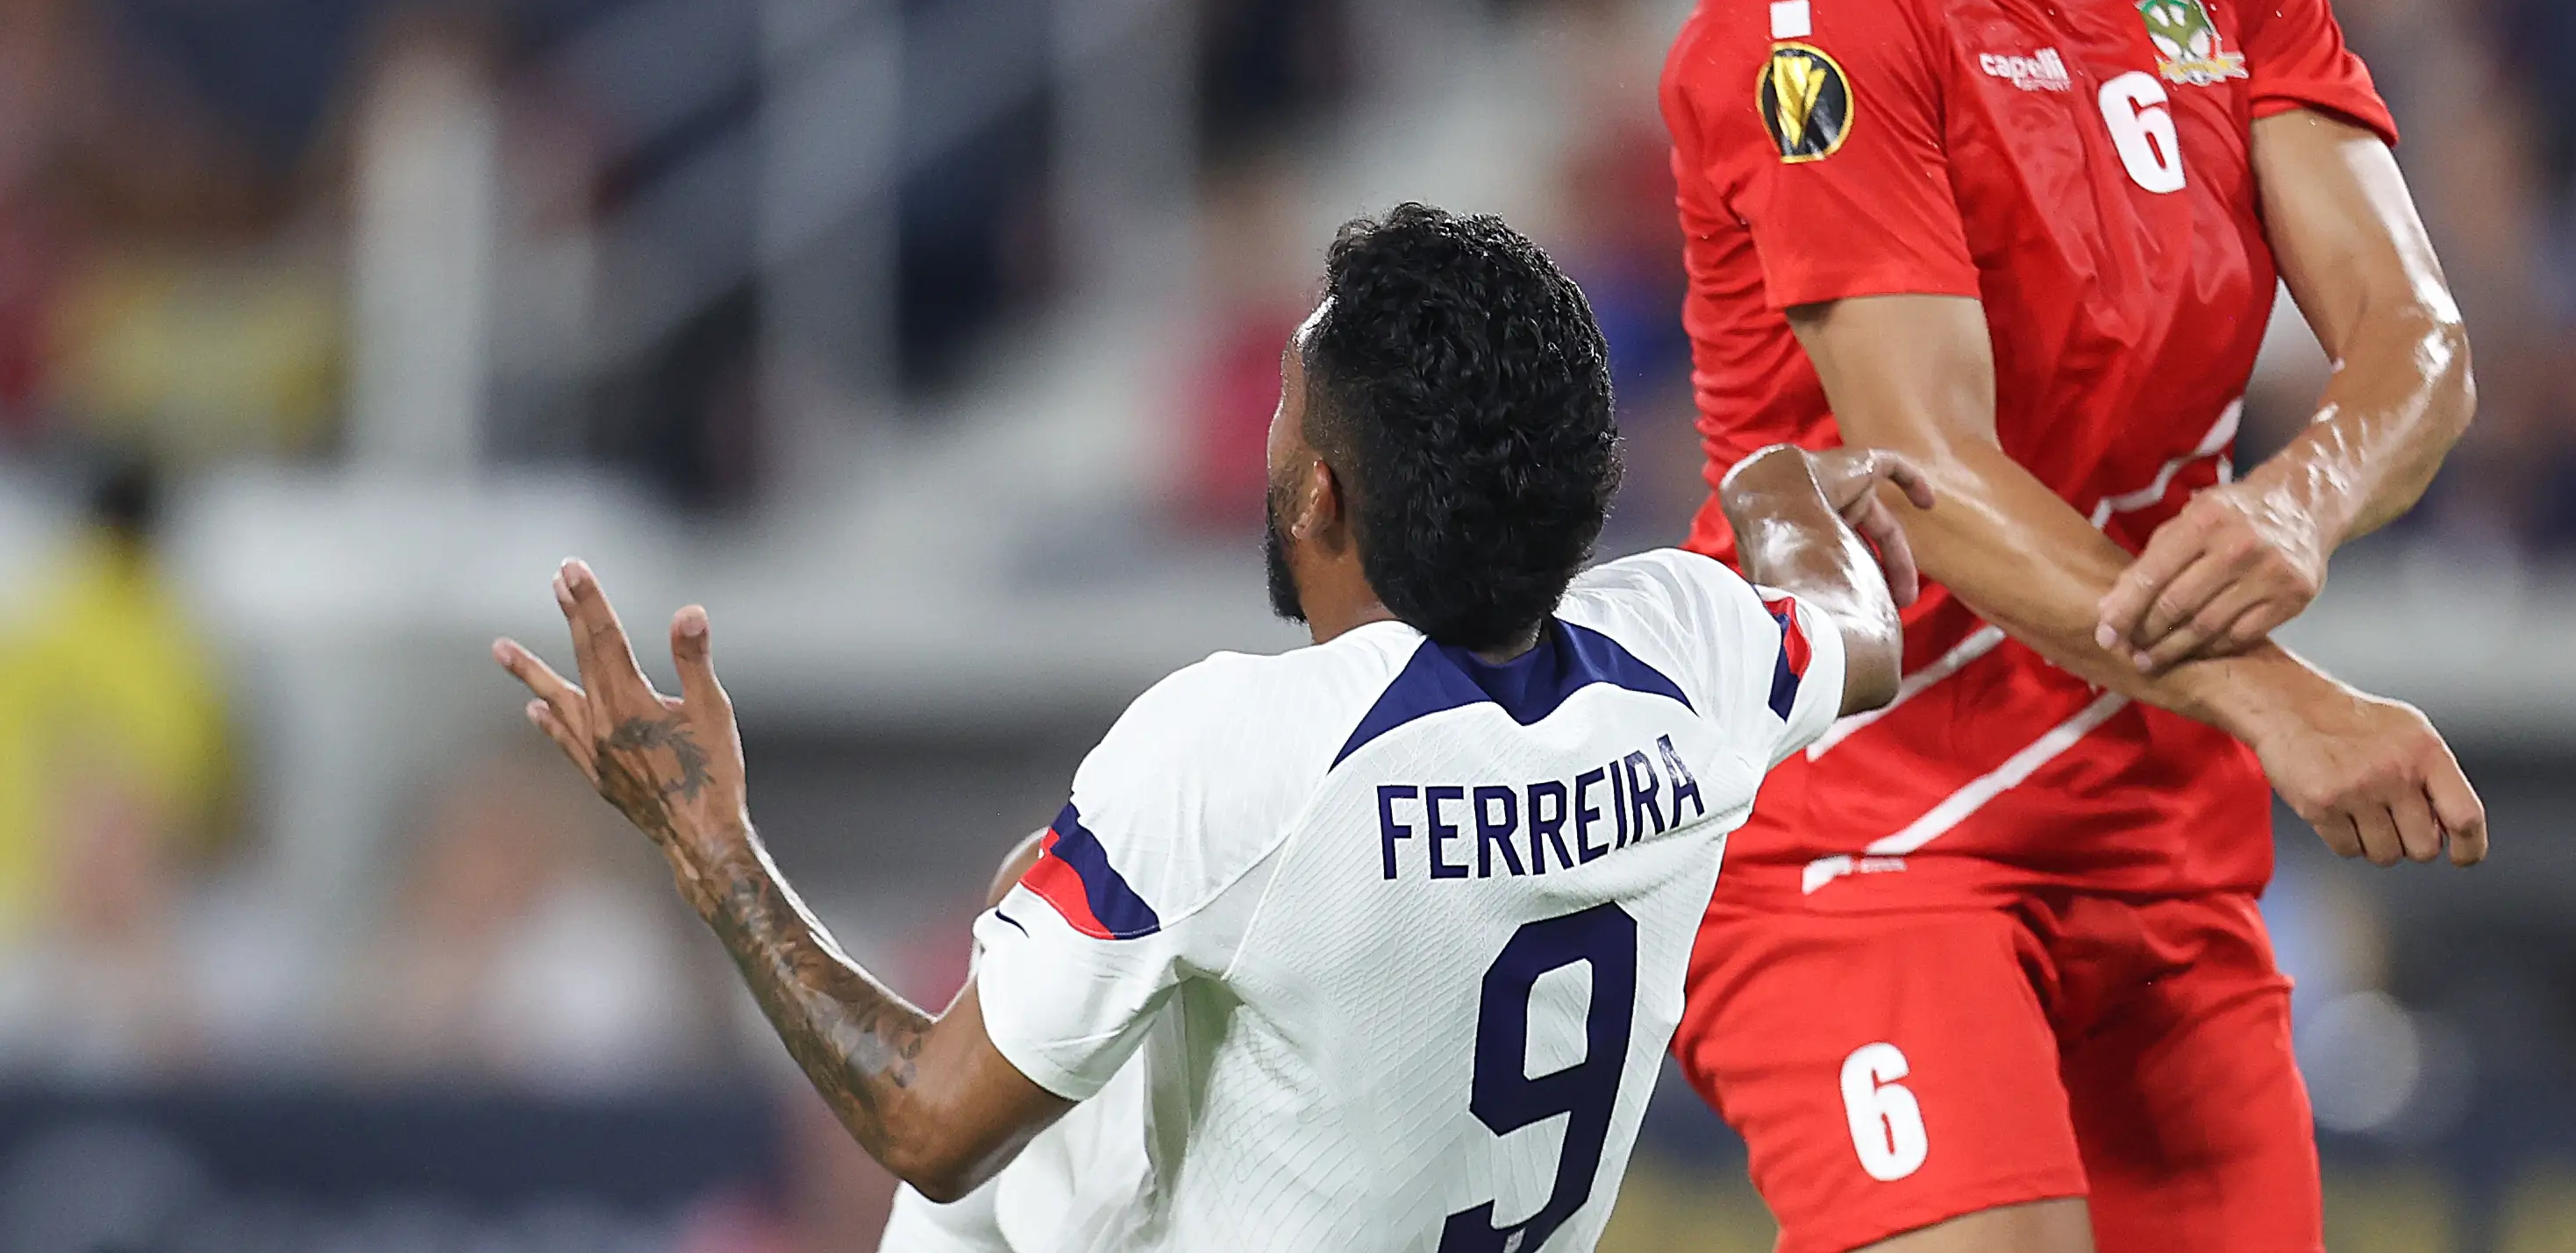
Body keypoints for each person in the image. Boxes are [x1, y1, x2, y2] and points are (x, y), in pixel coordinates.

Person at [497, 203, 1917, 1249]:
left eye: (1289, 415)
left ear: (1321, 495)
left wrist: (709, 847)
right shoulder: (1688, 659)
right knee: (1058, 937)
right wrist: (1778, 490)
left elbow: (925, 1125)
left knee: (1031, 989)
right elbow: (1858, 632)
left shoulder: (1242, 751)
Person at [1659, 0, 2487, 1253]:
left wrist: (2301, 499)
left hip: (2153, 834)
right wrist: (2281, 701)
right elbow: (1929, 470)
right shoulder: (1812, 7)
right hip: (1864, 824)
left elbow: (2414, 342)